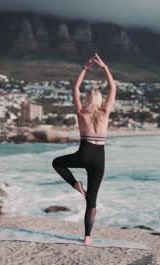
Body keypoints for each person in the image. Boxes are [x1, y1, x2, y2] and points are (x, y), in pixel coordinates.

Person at [52, 52, 116, 245]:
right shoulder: (105, 112)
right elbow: (113, 87)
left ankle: (75, 185)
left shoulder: (81, 113)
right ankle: (88, 237)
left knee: (57, 163)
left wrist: (86, 67)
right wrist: (104, 67)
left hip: (83, 154)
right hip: (99, 158)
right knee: (92, 200)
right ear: (100, 100)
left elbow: (75, 87)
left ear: (87, 99)